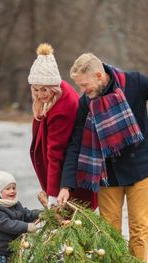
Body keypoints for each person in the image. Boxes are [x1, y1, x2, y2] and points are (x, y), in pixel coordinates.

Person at [57, 53, 148, 263]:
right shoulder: (86, 103)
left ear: (99, 75)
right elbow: (75, 144)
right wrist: (66, 185)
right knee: (109, 233)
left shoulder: (134, 82)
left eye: (84, 84)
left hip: (140, 168)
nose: (82, 91)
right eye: (79, 86)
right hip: (109, 173)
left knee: (139, 230)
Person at [28, 43, 97, 209]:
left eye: (44, 89)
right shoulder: (53, 96)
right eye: (36, 90)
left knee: (72, 222)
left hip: (70, 181)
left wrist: (52, 194)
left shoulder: (62, 108)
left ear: (53, 86)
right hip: (64, 177)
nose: (39, 94)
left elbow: (56, 153)